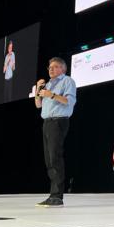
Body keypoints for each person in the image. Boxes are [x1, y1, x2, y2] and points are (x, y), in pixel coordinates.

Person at [34, 57, 77, 208]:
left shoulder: (68, 81)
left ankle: (57, 196)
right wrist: (38, 89)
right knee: (49, 159)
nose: (51, 69)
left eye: (55, 66)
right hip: (46, 123)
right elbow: (38, 105)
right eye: (50, 67)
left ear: (63, 69)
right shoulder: (49, 84)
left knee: (55, 157)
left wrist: (51, 95)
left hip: (59, 121)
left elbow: (69, 101)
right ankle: (52, 195)